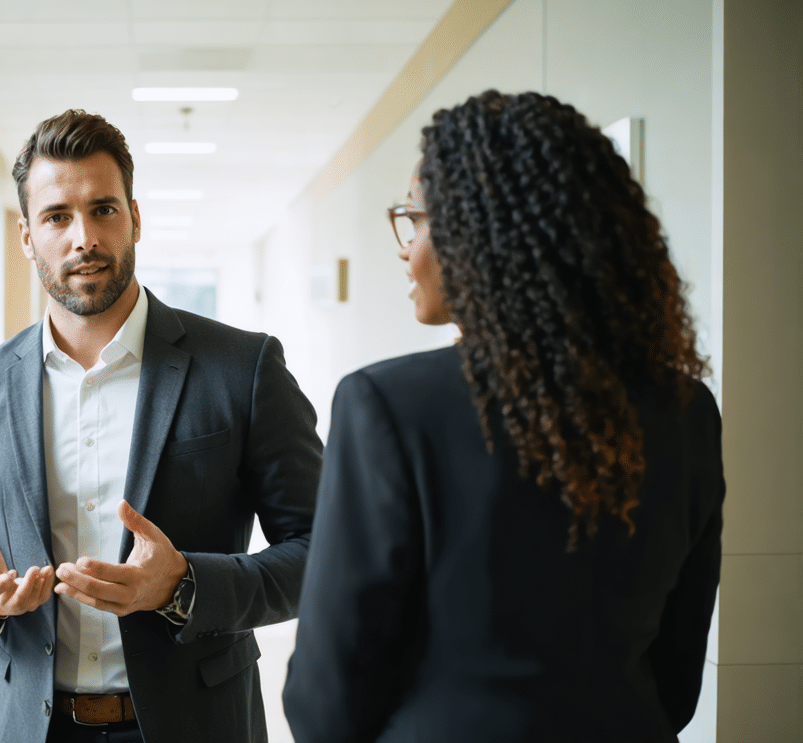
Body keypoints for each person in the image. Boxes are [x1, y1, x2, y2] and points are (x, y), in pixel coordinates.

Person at [283, 90, 723, 743]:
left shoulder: (388, 406)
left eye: (417, 218)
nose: (406, 247)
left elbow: (326, 700)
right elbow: (677, 678)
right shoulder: (687, 411)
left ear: (477, 233)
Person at [0, 109, 322, 743]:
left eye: (103, 210)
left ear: (135, 218)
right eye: (56, 217)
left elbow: (321, 550)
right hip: (32, 728)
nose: (84, 238)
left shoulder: (244, 367)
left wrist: (184, 584)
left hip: (198, 723)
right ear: (26, 236)